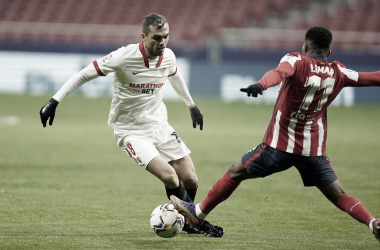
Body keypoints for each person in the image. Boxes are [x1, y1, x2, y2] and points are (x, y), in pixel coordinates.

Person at [170, 26, 380, 242]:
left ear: (305, 46)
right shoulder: (339, 72)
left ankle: (198, 213)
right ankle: (372, 222)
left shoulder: (296, 60)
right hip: (313, 151)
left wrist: (261, 84)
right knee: (339, 194)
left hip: (278, 148)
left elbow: (279, 73)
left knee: (235, 172)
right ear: (328, 52)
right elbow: (373, 77)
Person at [39, 13, 223, 237]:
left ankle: (185, 221)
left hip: (159, 125)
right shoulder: (123, 57)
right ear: (143, 36)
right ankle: (198, 223)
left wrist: (192, 106)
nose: (162, 42)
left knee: (191, 178)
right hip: (131, 131)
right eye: (157, 38)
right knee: (169, 176)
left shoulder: (169, 56)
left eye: (166, 37)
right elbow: (83, 74)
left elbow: (174, 77)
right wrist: (54, 101)